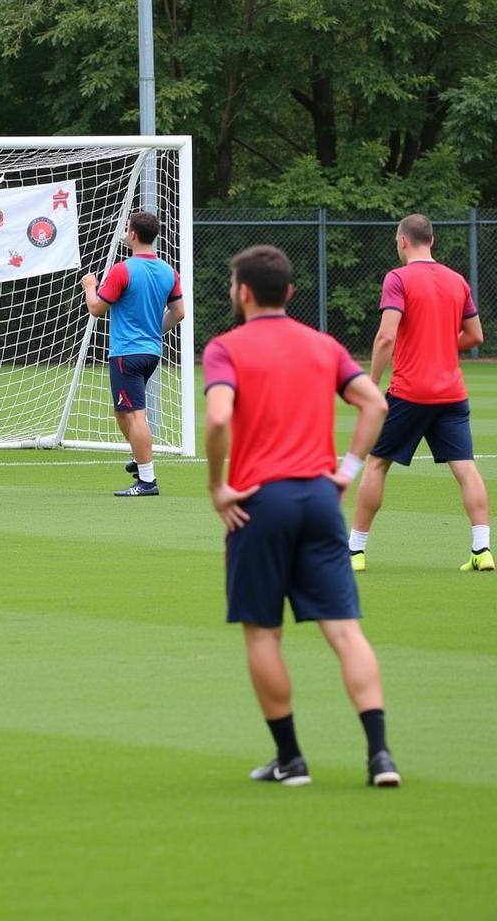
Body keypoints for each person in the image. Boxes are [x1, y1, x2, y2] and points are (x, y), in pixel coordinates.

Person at [203, 245, 400, 787]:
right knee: (345, 630)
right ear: (289, 293)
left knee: (263, 634)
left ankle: (291, 760)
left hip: (258, 504)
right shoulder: (324, 344)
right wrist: (347, 471)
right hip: (319, 498)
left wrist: (218, 486)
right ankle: (380, 755)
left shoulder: (226, 348)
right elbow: (376, 404)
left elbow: (219, 418)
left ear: (241, 292)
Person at [349, 213, 491, 572]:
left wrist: (372, 383)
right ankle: (482, 549)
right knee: (466, 468)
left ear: (402, 242)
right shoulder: (457, 280)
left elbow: (386, 336)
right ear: (433, 241)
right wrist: (441, 345)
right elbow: (475, 337)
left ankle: (354, 552)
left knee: (377, 464)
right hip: (451, 393)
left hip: (410, 392)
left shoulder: (397, 278)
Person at [80, 210, 185, 496]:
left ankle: (147, 480)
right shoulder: (168, 271)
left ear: (134, 234)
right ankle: (141, 460)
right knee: (121, 411)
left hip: (126, 353)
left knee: (136, 415)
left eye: (127, 228)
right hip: (151, 353)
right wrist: (153, 332)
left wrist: (90, 287)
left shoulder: (122, 270)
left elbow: (96, 309)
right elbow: (179, 313)